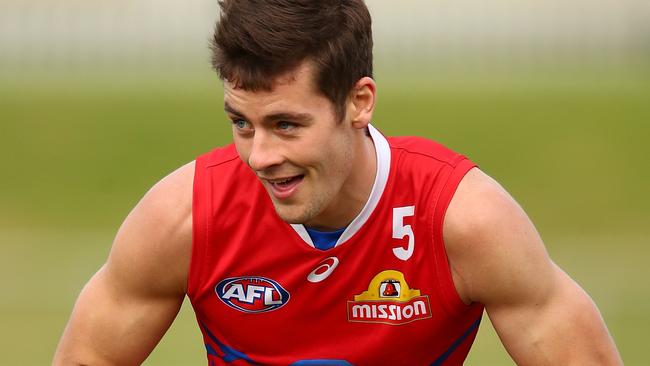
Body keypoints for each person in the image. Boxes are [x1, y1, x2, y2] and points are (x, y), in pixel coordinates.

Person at [53, 1, 623, 365]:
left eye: (286, 125)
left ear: (359, 102)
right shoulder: (184, 216)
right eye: (240, 124)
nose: (261, 156)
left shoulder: (460, 220)